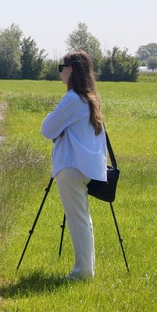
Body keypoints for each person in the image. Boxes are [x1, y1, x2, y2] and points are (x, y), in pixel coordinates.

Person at [41, 50, 108, 280]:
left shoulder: (72, 99)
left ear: (70, 70)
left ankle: (82, 272)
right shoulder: (90, 99)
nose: (61, 73)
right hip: (87, 167)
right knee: (83, 219)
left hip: (71, 166)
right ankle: (86, 269)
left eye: (62, 67)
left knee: (77, 220)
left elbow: (47, 129)